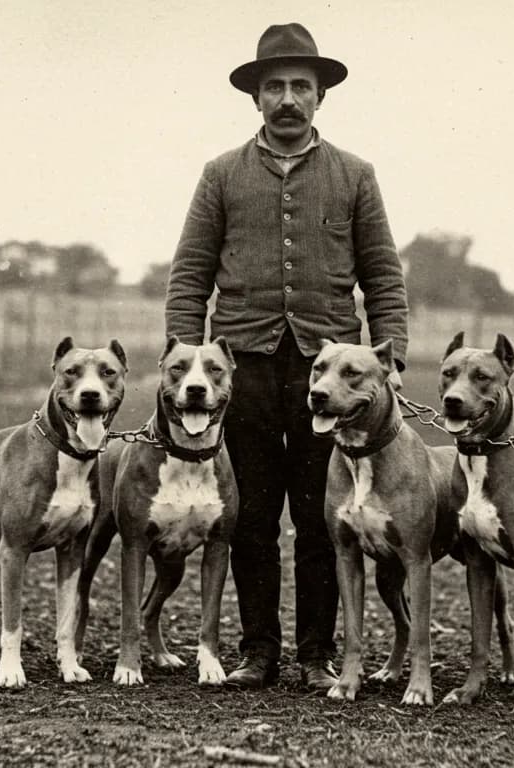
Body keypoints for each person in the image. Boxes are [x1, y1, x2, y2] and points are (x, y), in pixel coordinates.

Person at [164, 22, 409, 689]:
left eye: (301, 85)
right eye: (274, 86)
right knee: (251, 512)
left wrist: (393, 358)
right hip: (240, 367)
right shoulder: (221, 175)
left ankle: (314, 655)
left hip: (326, 371)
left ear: (321, 96)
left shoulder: (355, 175)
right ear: (257, 98)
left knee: (320, 515)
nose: (288, 98)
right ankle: (258, 653)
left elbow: (384, 277)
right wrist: (186, 357)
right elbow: (189, 275)